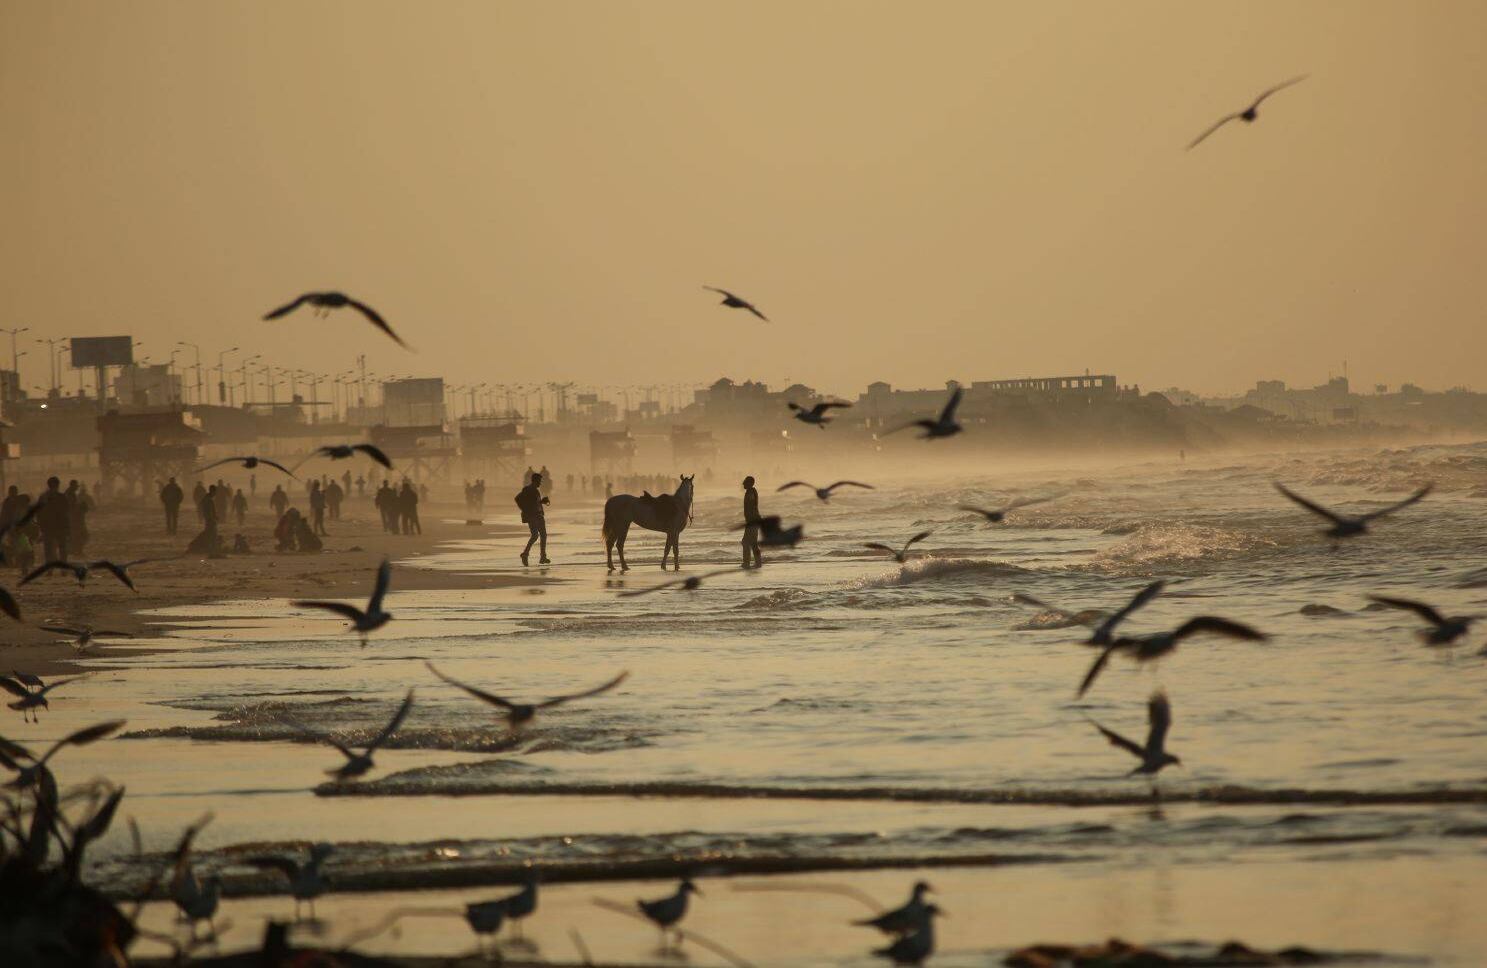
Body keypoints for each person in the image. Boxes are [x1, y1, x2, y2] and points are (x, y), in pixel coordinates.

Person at [515, 472, 550, 566]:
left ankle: (542, 556)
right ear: (535, 480)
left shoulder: (535, 490)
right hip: (532, 516)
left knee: (543, 535)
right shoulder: (528, 489)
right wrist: (525, 510)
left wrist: (541, 502)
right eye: (539, 481)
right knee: (535, 535)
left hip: (538, 515)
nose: (540, 483)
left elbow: (535, 502)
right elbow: (517, 499)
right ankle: (525, 554)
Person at [36, 476, 71, 564]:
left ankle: (50, 569)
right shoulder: (61, 497)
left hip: (50, 527)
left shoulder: (43, 497)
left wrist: (41, 527)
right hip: (58, 527)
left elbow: (38, 514)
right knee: (61, 549)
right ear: (58, 485)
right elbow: (66, 513)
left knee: (49, 549)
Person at [740, 475, 762, 569]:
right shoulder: (751, 491)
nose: (743, 483)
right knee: (753, 542)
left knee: (746, 542)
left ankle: (747, 563)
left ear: (749, 483)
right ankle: (757, 562)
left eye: (745, 481)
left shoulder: (750, 493)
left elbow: (752, 507)